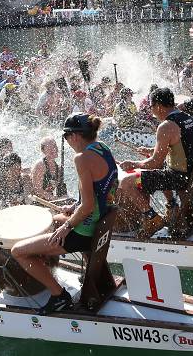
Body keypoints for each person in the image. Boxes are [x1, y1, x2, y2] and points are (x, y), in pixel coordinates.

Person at [11, 113, 117, 314]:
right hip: (100, 222)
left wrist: (67, 227)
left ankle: (58, 296)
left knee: (18, 251)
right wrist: (74, 207)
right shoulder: (103, 148)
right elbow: (102, 192)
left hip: (85, 232)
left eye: (66, 138)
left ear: (75, 136)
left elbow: (87, 208)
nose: (67, 143)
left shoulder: (82, 158)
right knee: (52, 221)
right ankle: (48, 260)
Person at [118, 88, 193, 238]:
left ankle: (152, 219)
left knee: (126, 182)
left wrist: (133, 164)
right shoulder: (187, 118)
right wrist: (153, 150)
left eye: (151, 107)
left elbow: (154, 163)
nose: (151, 111)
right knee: (161, 167)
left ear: (158, 106)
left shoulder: (166, 126)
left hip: (178, 177)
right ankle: (172, 206)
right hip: (189, 173)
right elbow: (180, 146)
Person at [31, 137, 67, 201]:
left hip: (50, 201)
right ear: (43, 151)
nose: (54, 149)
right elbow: (37, 190)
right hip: (37, 202)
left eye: (54, 146)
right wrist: (52, 198)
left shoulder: (58, 169)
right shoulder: (40, 165)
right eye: (49, 148)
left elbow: (60, 190)